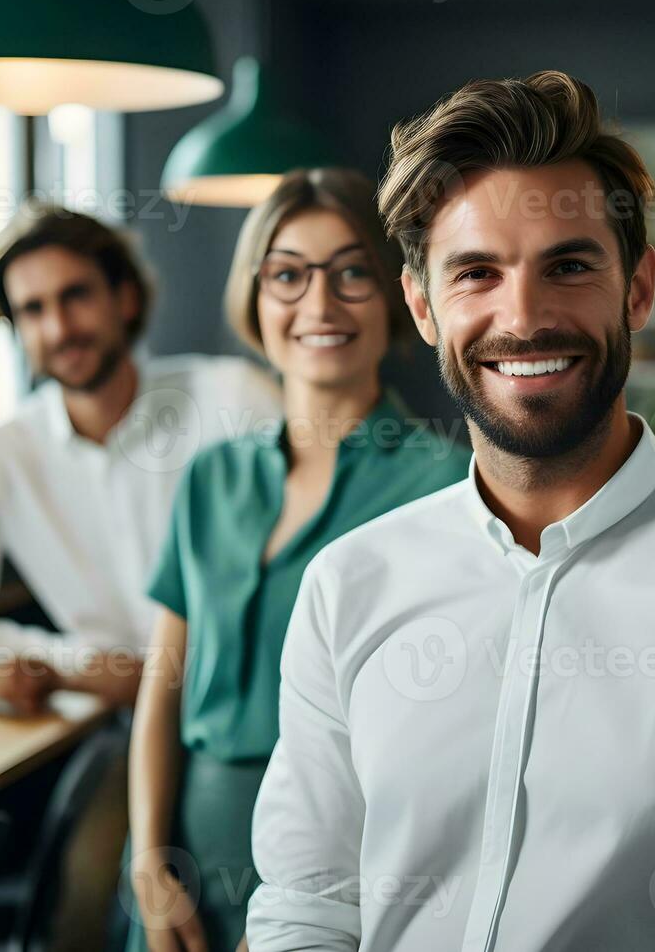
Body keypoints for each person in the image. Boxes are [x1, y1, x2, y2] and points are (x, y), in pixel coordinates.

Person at [246, 71, 655, 951]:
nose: (524, 316)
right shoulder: (347, 584)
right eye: (476, 272)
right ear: (423, 307)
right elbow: (308, 906)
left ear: (636, 289)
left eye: (569, 265)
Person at [126, 168, 470, 952]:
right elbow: (163, 684)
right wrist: (148, 861)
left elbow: (436, 748)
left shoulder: (446, 488)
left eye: (352, 272)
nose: (318, 304)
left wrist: (305, 919)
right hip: (173, 870)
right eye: (287, 274)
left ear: (398, 297)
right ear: (255, 298)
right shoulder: (210, 477)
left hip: (347, 877)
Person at [0, 205, 279, 712]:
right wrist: (77, 664)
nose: (58, 329)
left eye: (75, 296)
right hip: (112, 724)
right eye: (32, 310)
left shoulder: (232, 399)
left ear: (124, 298)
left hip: (251, 704)